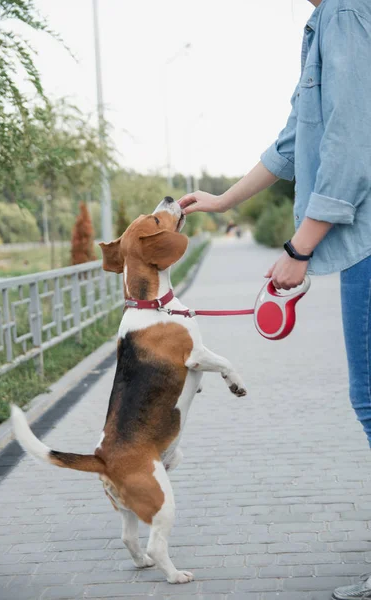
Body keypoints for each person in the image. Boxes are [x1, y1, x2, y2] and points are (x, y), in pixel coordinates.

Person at [179, 1, 371, 598]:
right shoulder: (328, 21)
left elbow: (352, 139)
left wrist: (300, 246)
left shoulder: (346, 13)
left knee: (370, 398)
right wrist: (224, 201)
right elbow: (295, 142)